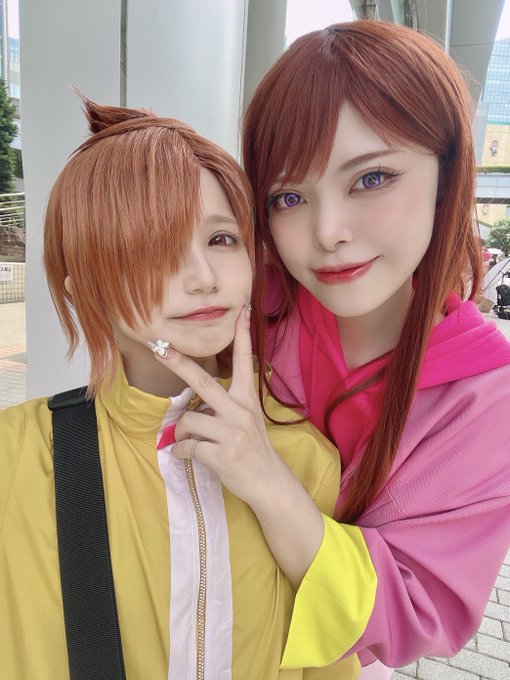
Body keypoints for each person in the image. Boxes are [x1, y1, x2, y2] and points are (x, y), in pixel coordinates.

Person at [155, 20, 510, 680]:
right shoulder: (250, 301)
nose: (327, 232)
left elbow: (418, 613)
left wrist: (269, 483)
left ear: (447, 173)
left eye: (372, 178)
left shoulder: (483, 395)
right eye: (289, 196)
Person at [0, 99, 363, 679]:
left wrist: (271, 486)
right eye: (151, 248)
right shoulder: (17, 456)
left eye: (222, 239)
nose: (203, 277)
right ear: (82, 287)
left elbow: (334, 656)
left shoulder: (302, 457)